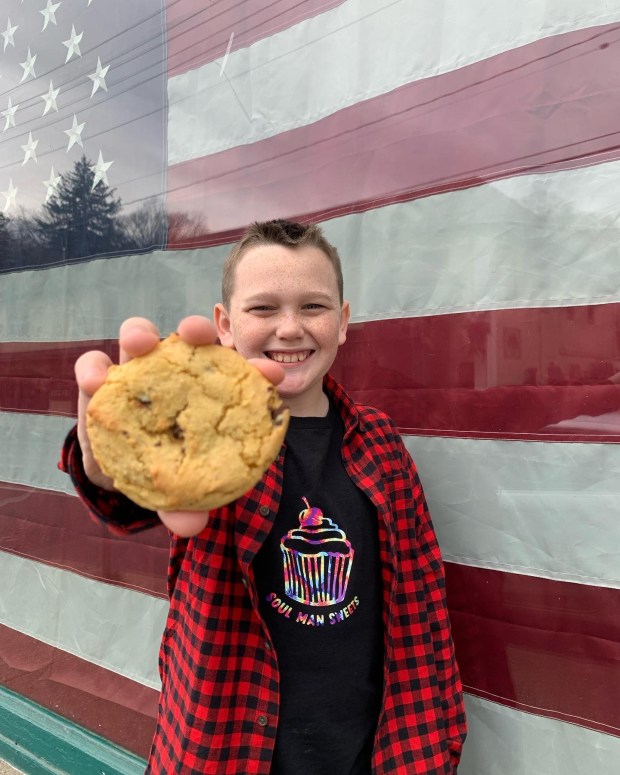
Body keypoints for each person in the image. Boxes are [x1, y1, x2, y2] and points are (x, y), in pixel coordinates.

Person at [60, 220, 467, 774]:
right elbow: (129, 499)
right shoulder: (206, 443)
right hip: (223, 747)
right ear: (225, 325)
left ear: (343, 323)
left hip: (367, 753)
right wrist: (107, 462)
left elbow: (422, 606)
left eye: (315, 307)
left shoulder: (381, 444)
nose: (291, 328)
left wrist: (435, 747)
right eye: (263, 309)